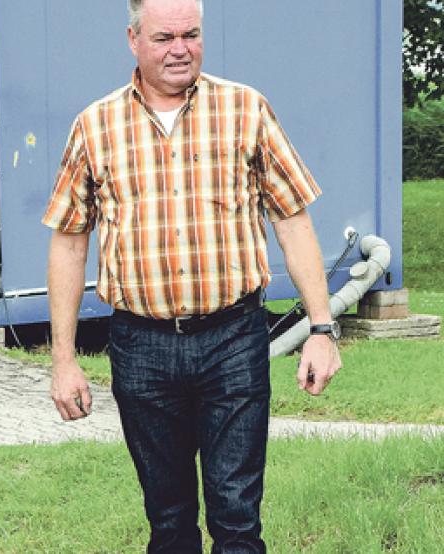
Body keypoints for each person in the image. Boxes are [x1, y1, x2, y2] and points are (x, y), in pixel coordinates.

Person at [43, 0, 342, 551]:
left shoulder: (245, 109)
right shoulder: (95, 125)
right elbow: (68, 239)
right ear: (132, 39)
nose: (179, 49)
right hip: (141, 348)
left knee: (235, 516)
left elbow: (292, 218)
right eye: (163, 38)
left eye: (191, 34)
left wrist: (321, 329)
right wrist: (63, 361)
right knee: (169, 520)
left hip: (233, 341)